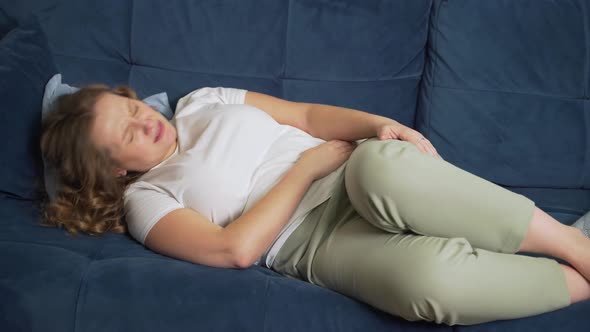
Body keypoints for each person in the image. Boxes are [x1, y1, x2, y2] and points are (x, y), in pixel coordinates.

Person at [40, 84, 590, 326]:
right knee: (426, 287)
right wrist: (306, 168)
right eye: (128, 134)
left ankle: (573, 245)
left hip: (353, 172)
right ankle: (577, 280)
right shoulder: (146, 202)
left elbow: (304, 117)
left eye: (130, 108)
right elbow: (235, 250)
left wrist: (377, 125)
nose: (145, 121)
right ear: (113, 170)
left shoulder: (202, 102)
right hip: (312, 242)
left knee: (383, 168)